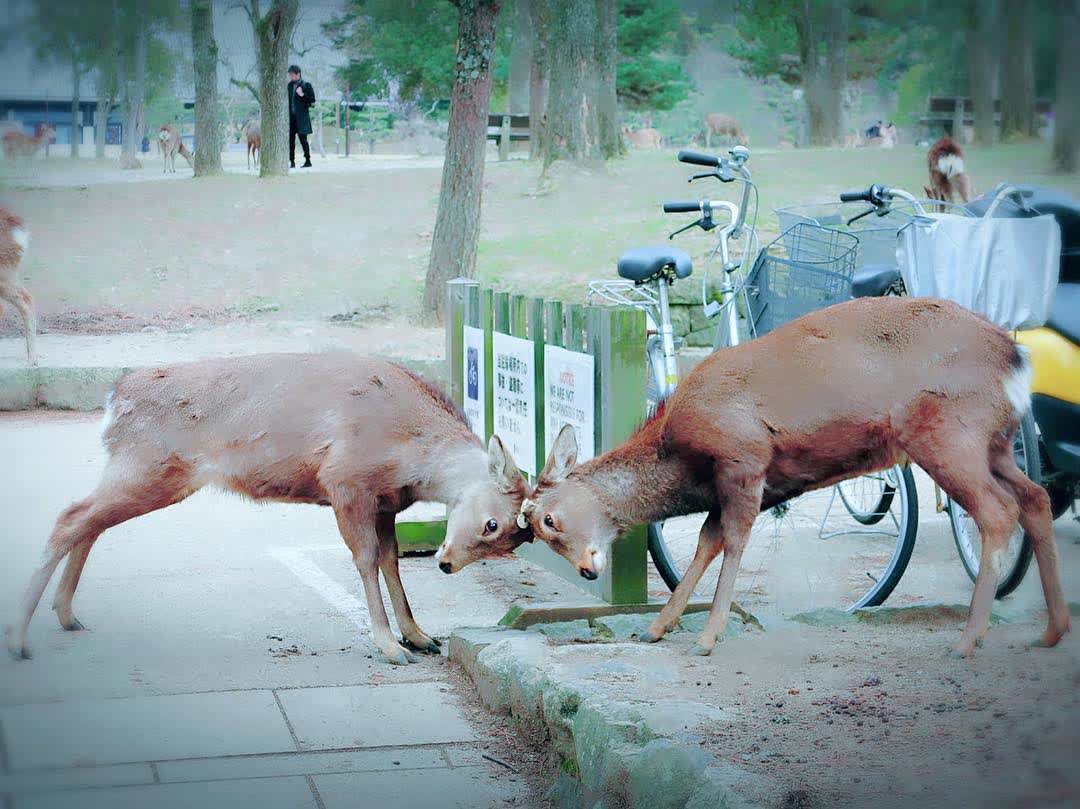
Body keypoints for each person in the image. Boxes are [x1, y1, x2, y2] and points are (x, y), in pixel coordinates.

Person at [287, 64, 315, 169]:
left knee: (303, 140)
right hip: (292, 118)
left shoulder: (306, 85)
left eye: (292, 75)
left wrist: (302, 95)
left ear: (298, 74)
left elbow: (312, 100)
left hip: (302, 118)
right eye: (290, 75)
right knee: (291, 140)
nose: (291, 77)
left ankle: (308, 160)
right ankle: (292, 162)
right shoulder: (289, 86)